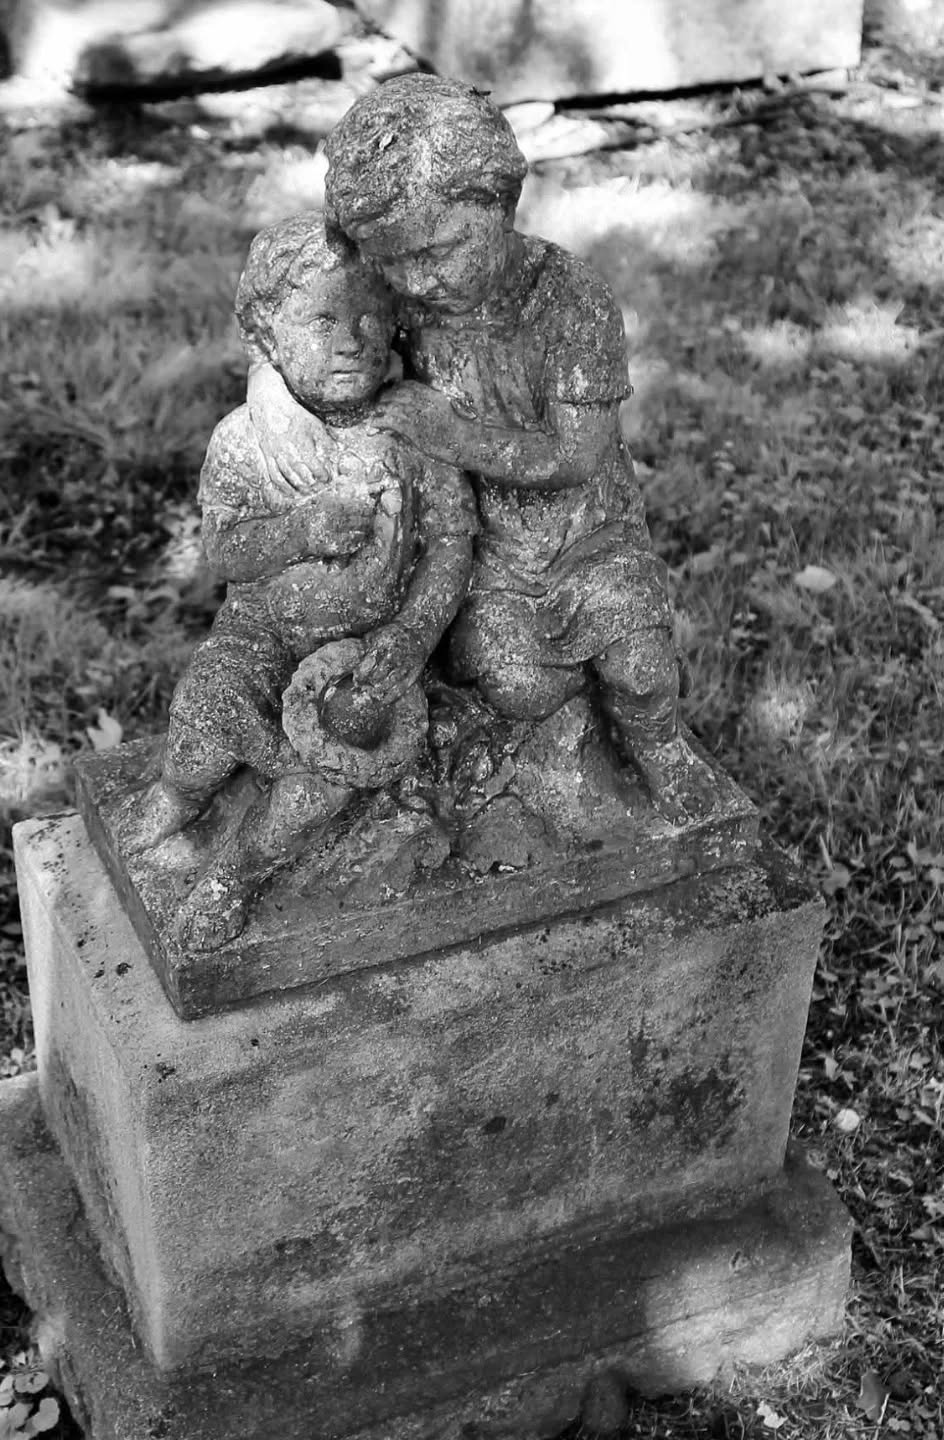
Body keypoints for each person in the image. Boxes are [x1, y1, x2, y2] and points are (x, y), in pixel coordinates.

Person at [252, 74, 719, 825]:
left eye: (440, 251)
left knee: (638, 669)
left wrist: (450, 434)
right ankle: (544, 742)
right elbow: (304, 344)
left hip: (586, 540)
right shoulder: (402, 304)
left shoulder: (569, 300)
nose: (419, 280)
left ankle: (659, 751)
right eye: (393, 263)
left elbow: (577, 455)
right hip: (480, 552)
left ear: (499, 205)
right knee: (517, 684)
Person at [129, 211, 476, 945]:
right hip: (260, 635)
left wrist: (411, 637)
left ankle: (234, 875)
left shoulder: (412, 433)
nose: (350, 340)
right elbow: (222, 551)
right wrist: (301, 530)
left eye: (369, 319)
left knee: (324, 777)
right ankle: (179, 795)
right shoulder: (247, 440)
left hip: (364, 649)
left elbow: (449, 545)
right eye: (321, 320)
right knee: (203, 718)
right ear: (268, 336)